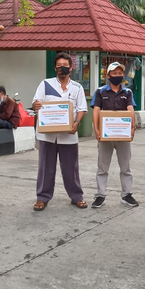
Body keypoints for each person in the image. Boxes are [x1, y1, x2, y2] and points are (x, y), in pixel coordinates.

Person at [31, 53, 88, 211]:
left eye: (65, 64)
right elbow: (36, 102)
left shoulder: (77, 87)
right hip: (47, 135)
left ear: (71, 67)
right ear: (55, 68)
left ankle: (76, 196)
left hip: (68, 135)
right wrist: (36, 105)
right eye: (58, 65)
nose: (61, 67)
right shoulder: (45, 84)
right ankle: (42, 198)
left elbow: (82, 108)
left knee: (71, 168)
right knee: (45, 168)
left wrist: (77, 122)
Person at [91, 62, 138, 208]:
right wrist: (96, 129)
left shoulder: (128, 92)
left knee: (126, 167)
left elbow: (130, 110)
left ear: (123, 75)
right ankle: (100, 195)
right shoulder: (100, 91)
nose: (117, 76)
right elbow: (96, 110)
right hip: (106, 136)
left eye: (120, 73)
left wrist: (132, 127)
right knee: (102, 167)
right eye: (114, 73)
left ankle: (127, 194)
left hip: (123, 136)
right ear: (108, 75)